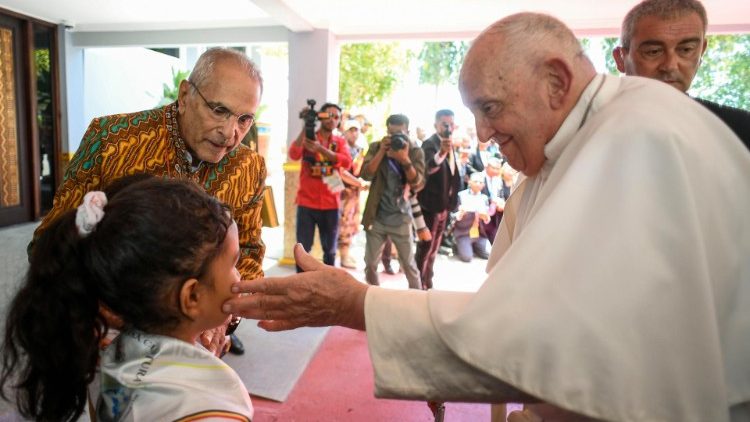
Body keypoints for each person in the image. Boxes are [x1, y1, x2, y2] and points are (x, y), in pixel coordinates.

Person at [222, 12, 750, 422]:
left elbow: (558, 340)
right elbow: (519, 312)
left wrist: (357, 305)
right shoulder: (583, 139)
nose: (481, 134)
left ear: (556, 81)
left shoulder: (636, 138)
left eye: (490, 108)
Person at [29, 47, 266, 356]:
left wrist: (223, 319)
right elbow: (51, 243)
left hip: (196, 341)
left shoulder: (248, 167)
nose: (230, 133)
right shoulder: (113, 141)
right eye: (218, 111)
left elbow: (248, 252)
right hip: (109, 336)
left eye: (244, 119)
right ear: (184, 95)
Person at [2, 176, 253, 421]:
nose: (239, 275)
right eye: (234, 263)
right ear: (192, 297)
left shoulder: (113, 353)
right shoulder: (206, 406)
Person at [612, 0, 750, 149]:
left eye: (686, 50)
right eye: (653, 52)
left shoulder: (739, 130)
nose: (670, 65)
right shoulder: (592, 127)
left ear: (701, 51)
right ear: (620, 58)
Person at [360, 114, 425, 289]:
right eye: (392, 133)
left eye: (400, 133)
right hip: (377, 217)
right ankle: (373, 298)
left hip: (401, 217)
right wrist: (382, 151)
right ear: (387, 130)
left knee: (409, 266)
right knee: (370, 265)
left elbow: (418, 184)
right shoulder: (377, 147)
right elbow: (365, 174)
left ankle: (417, 300)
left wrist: (404, 159)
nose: (395, 137)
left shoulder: (414, 151)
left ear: (408, 131)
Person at [288, 102, 352, 271]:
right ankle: (301, 285)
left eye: (336, 117)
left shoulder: (339, 142)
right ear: (320, 117)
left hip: (331, 203)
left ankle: (329, 287)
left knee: (330, 252)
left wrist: (321, 150)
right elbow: (293, 154)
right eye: (328, 115)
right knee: (302, 250)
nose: (332, 119)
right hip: (306, 203)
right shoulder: (308, 138)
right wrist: (305, 126)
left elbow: (347, 162)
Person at [416, 109, 462, 290]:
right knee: (425, 247)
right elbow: (426, 169)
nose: (448, 127)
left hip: (444, 207)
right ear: (436, 125)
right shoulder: (429, 144)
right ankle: (417, 283)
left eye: (451, 124)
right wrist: (441, 153)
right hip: (430, 206)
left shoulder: (451, 145)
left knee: (434, 249)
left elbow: (452, 175)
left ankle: (428, 281)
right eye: (445, 124)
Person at [338, 119, 368, 269]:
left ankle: (346, 254)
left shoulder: (359, 149)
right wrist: (358, 183)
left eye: (356, 130)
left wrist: (360, 182)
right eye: (351, 130)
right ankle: (343, 257)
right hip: (343, 193)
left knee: (352, 223)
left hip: (354, 194)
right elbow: (341, 172)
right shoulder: (339, 148)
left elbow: (359, 171)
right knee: (344, 224)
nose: (354, 133)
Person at [452, 172, 492, 262]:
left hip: (479, 233)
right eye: (475, 181)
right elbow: (453, 216)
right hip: (464, 232)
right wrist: (460, 214)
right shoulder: (461, 195)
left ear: (484, 185)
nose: (478, 184)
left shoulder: (484, 198)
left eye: (480, 182)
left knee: (490, 255)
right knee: (467, 257)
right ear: (469, 182)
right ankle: (459, 244)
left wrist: (485, 217)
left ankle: (475, 247)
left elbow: (487, 219)